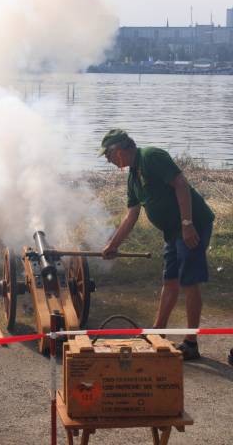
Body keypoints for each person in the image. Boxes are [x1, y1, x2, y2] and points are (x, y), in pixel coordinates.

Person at [100, 129, 214, 361]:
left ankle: (191, 343)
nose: (108, 160)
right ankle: (157, 331)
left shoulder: (151, 157)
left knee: (189, 281)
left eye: (108, 155)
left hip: (192, 225)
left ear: (119, 150)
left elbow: (181, 185)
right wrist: (113, 244)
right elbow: (131, 215)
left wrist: (187, 223)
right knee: (169, 280)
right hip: (172, 232)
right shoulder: (133, 177)